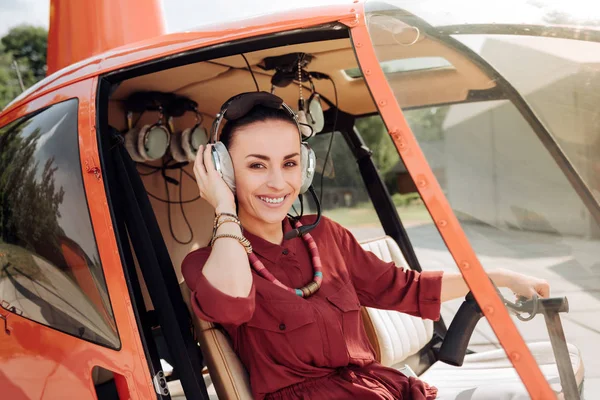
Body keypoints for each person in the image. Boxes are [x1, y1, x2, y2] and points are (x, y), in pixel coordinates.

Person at [181, 92, 550, 400]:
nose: (278, 183)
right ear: (225, 171)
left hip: (378, 389)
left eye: (289, 163)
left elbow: (407, 288)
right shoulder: (207, 265)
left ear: (305, 168)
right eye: (257, 166)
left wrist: (497, 277)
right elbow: (229, 303)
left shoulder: (325, 236)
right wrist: (224, 206)